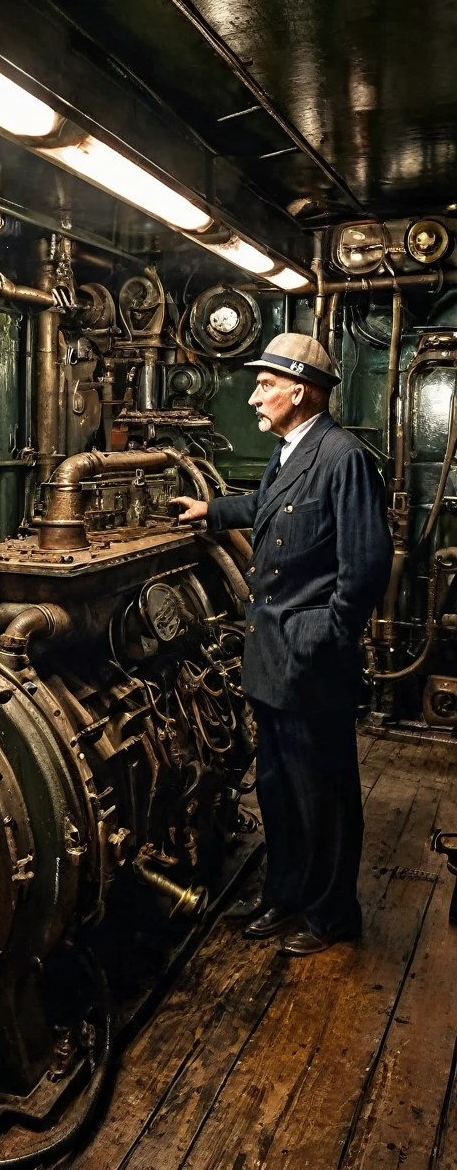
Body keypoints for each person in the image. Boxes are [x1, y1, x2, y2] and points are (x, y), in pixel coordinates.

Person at [174, 333, 392, 956]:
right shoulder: (295, 450)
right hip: (272, 656)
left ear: (300, 390)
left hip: (309, 661)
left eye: (266, 385)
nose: (255, 397)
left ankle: (331, 914)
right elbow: (272, 506)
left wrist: (323, 635)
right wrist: (211, 510)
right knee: (277, 785)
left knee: (321, 791)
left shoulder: (342, 456)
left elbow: (367, 566)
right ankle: (286, 894)